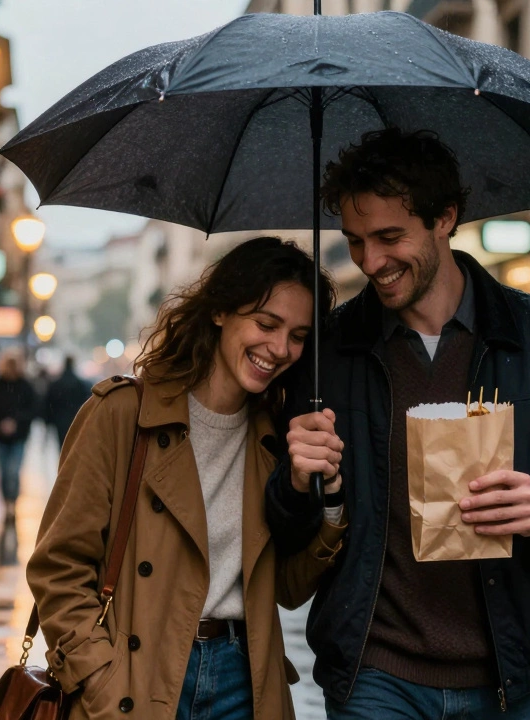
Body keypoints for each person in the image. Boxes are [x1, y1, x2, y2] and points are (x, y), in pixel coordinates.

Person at [265, 128, 530, 720]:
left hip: (504, 676)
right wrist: (294, 476)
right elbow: (285, 530)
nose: (371, 262)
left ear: (445, 218)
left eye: (389, 237)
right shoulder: (328, 354)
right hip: (373, 672)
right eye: (355, 241)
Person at [28, 237, 347, 720]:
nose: (279, 349)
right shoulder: (123, 415)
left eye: (299, 335)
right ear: (220, 311)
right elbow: (59, 568)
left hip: (247, 682)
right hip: (138, 680)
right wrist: (98, 676)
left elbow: (287, 587)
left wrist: (323, 498)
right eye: (266, 323)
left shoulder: (277, 436)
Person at [0, 349, 40, 515]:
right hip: (0, 437)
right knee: (3, 471)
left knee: (13, 471)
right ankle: (6, 501)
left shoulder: (25, 386)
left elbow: (33, 409)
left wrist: (17, 422)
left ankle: (12, 502)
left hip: (19, 436)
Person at [43, 355, 93, 447]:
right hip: (75, 418)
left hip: (60, 420)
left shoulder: (56, 384)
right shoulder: (80, 384)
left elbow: (49, 403)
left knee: (62, 446)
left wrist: (48, 420)